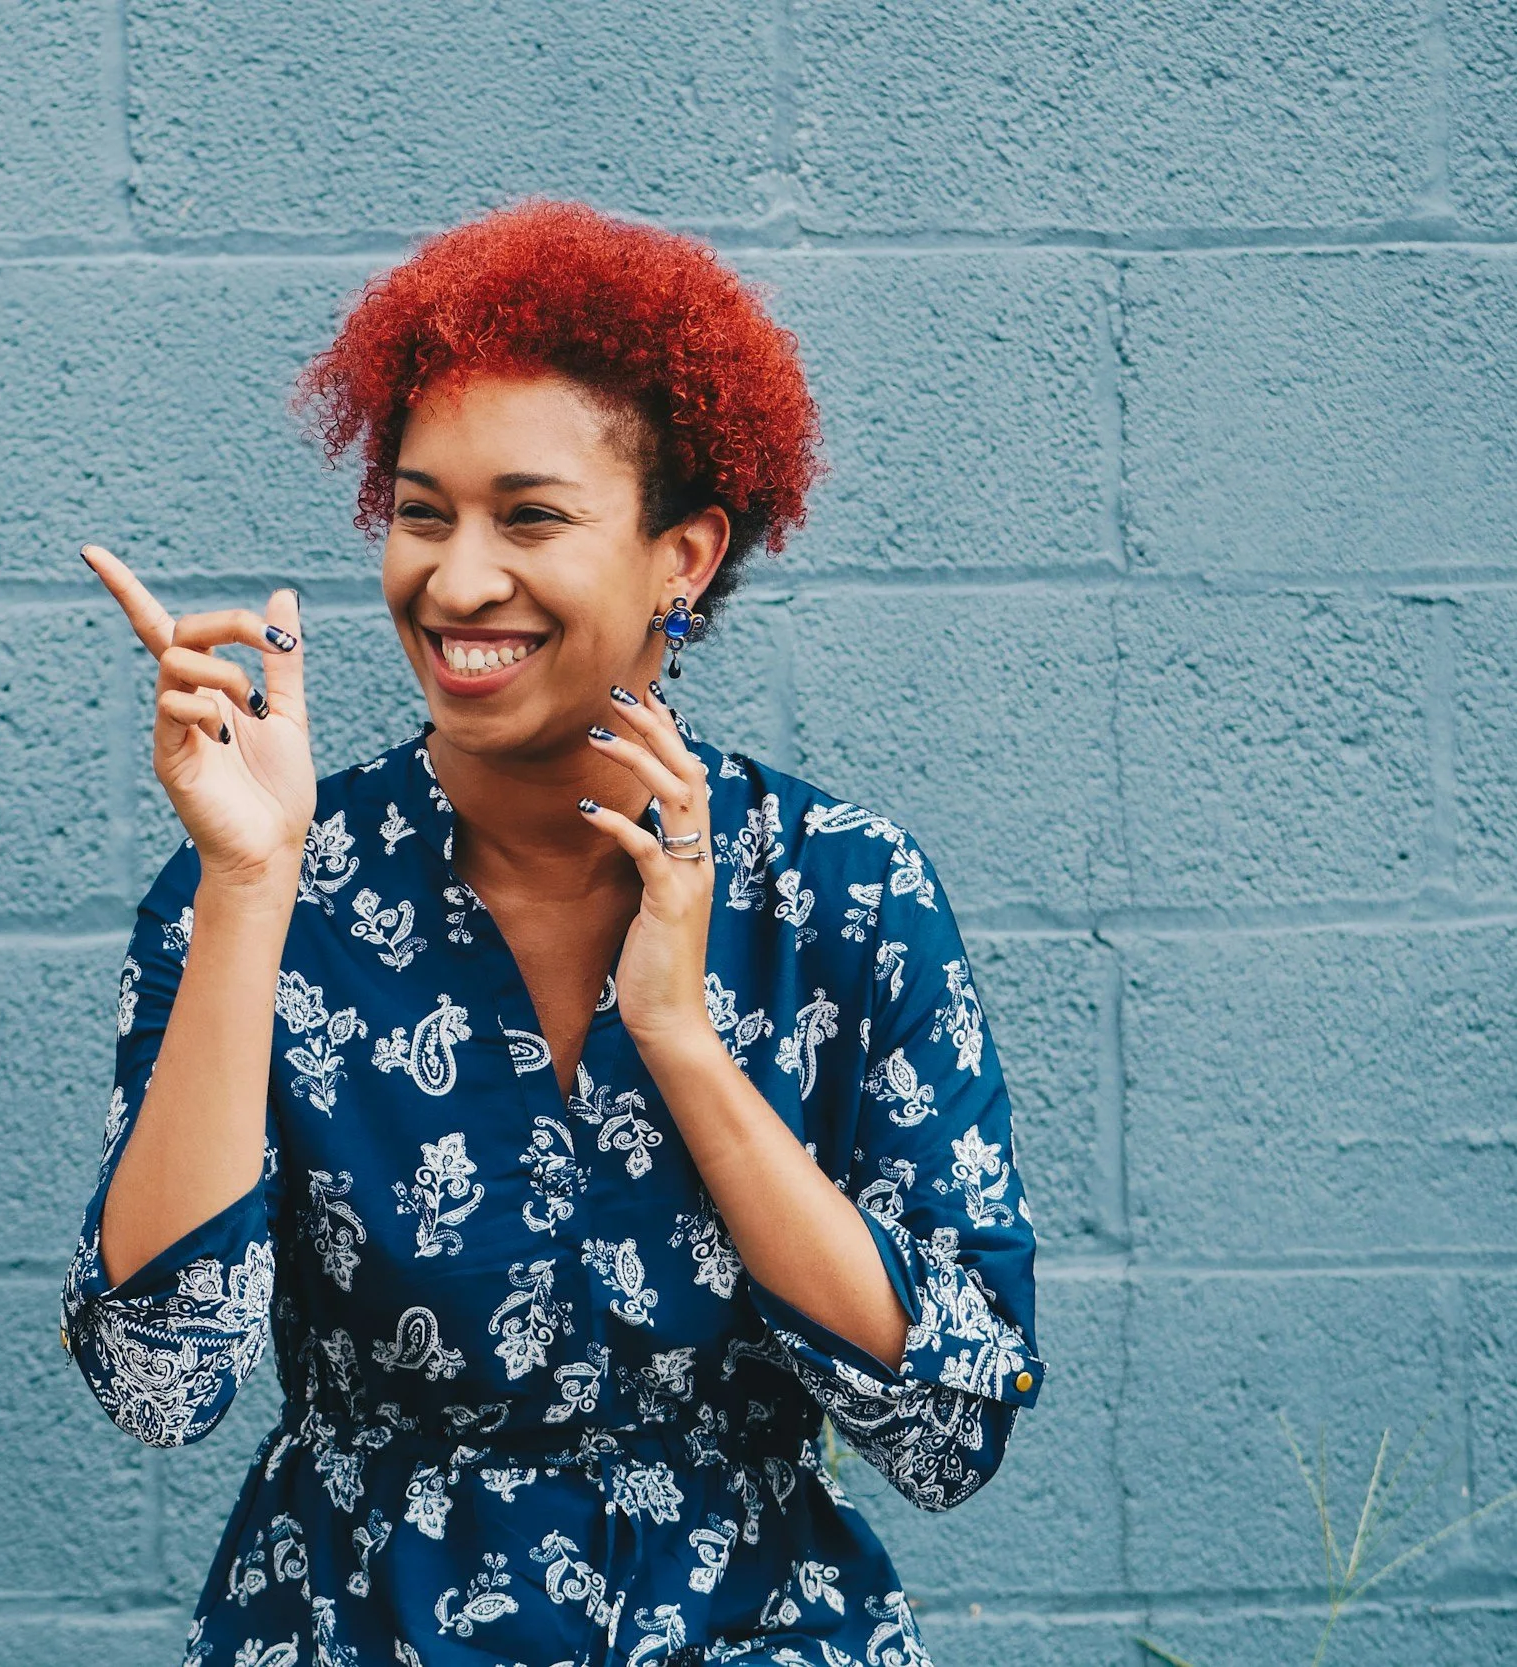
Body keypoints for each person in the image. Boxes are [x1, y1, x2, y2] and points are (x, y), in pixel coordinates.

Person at [61, 198, 1043, 1667]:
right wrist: (252, 889)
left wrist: (683, 1045)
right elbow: (158, 1381)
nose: (456, 581)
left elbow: (951, 1427)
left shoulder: (841, 897)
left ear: (682, 556)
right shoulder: (264, 887)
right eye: (419, 511)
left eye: (530, 516)